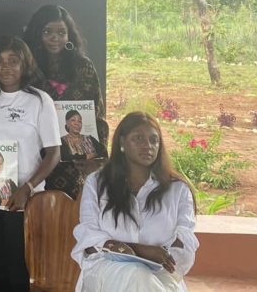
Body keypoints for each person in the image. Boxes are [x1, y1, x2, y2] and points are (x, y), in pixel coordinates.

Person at [0, 36, 61, 292]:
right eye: (0, 61)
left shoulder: (39, 100)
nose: (6, 67)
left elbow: (53, 153)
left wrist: (27, 188)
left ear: (25, 64)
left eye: (13, 60)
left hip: (25, 202)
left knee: (20, 270)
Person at [73, 112, 199, 292]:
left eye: (154, 140)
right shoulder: (97, 183)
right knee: (137, 274)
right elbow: (89, 239)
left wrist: (150, 258)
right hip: (106, 271)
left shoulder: (178, 189)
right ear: (122, 142)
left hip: (161, 276)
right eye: (138, 138)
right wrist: (143, 251)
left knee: (142, 278)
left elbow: (184, 247)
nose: (147, 145)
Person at [25, 4, 108, 200]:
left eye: (61, 33)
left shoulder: (83, 67)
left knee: (70, 214)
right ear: (37, 34)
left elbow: (98, 117)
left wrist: (98, 160)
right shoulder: (27, 68)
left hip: (74, 163)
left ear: (69, 35)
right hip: (36, 160)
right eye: (47, 32)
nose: (55, 38)